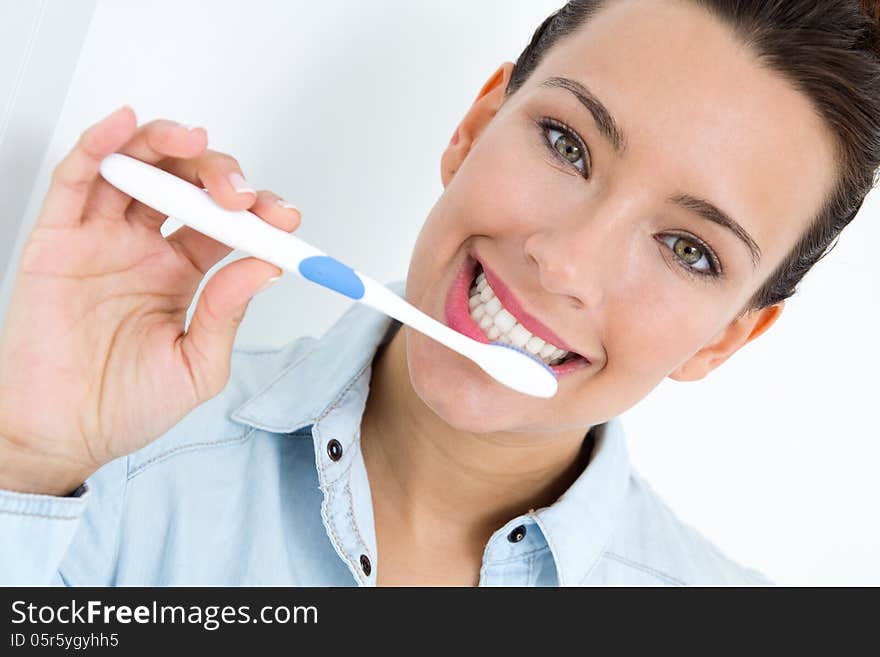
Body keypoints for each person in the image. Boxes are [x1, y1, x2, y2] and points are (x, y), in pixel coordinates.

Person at [0, 0, 878, 587]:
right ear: (474, 126)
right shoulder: (107, 472)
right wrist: (25, 463)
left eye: (687, 248)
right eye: (568, 145)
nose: (566, 263)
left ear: (726, 338)